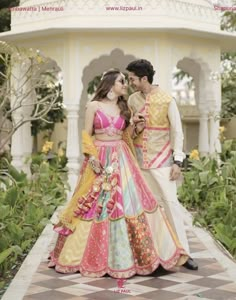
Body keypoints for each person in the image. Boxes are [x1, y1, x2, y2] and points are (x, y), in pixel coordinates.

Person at [48, 69, 188, 279]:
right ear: (110, 83)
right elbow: (87, 134)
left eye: (126, 81)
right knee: (95, 203)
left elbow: (126, 136)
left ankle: (129, 257)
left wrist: (136, 127)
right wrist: (91, 157)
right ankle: (86, 256)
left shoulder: (124, 107)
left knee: (125, 203)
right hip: (99, 158)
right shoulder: (93, 106)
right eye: (122, 81)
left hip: (121, 158)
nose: (125, 85)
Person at [126, 59, 198, 270]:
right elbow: (131, 132)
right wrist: (136, 126)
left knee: (171, 205)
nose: (130, 82)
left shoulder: (167, 99)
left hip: (162, 161)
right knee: (146, 209)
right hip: (139, 162)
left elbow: (177, 132)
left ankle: (184, 253)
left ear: (144, 79)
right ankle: (153, 255)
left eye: (132, 79)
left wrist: (177, 161)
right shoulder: (132, 100)